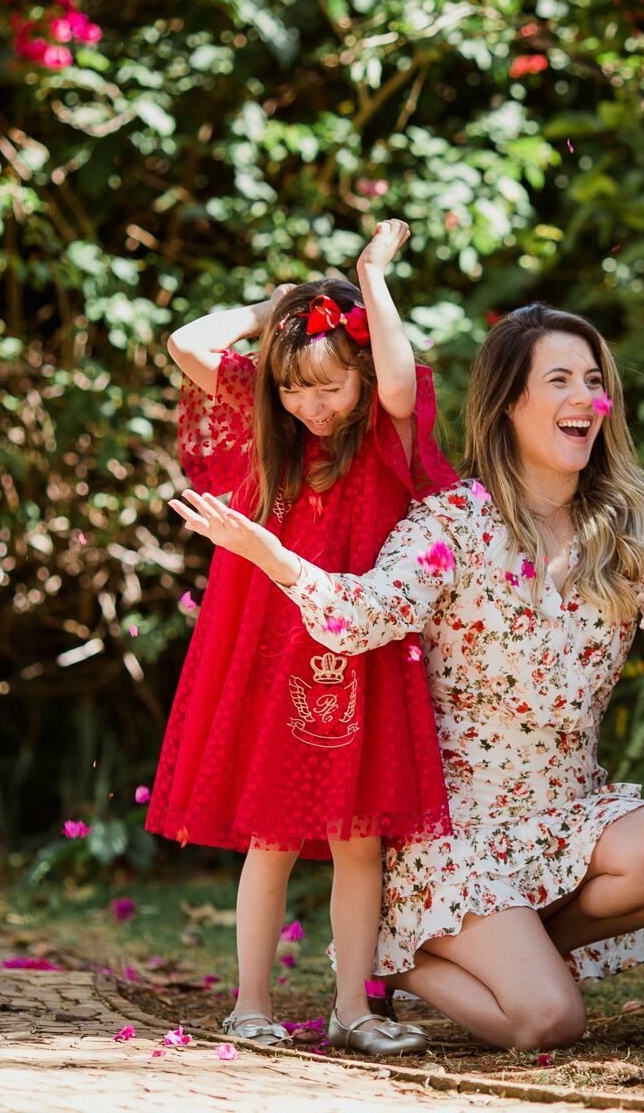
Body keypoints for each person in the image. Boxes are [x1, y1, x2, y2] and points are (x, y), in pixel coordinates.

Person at [168, 304, 644, 1049]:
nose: (583, 399)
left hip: (568, 812)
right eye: (559, 379)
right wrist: (272, 554)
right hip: (457, 839)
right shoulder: (453, 525)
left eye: (594, 381)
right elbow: (359, 617)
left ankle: (506, 952)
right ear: (508, 403)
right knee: (547, 1021)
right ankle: (395, 955)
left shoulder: (623, 524)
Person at [147, 221, 456, 1058]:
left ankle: (353, 1007)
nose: (311, 407)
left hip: (362, 648)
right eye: (293, 391)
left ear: (357, 375)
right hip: (269, 650)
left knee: (360, 840)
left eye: (329, 389)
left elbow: (396, 383)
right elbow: (184, 342)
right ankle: (251, 1004)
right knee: (272, 833)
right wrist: (276, 310)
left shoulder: (385, 429)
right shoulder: (269, 425)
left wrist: (369, 280)